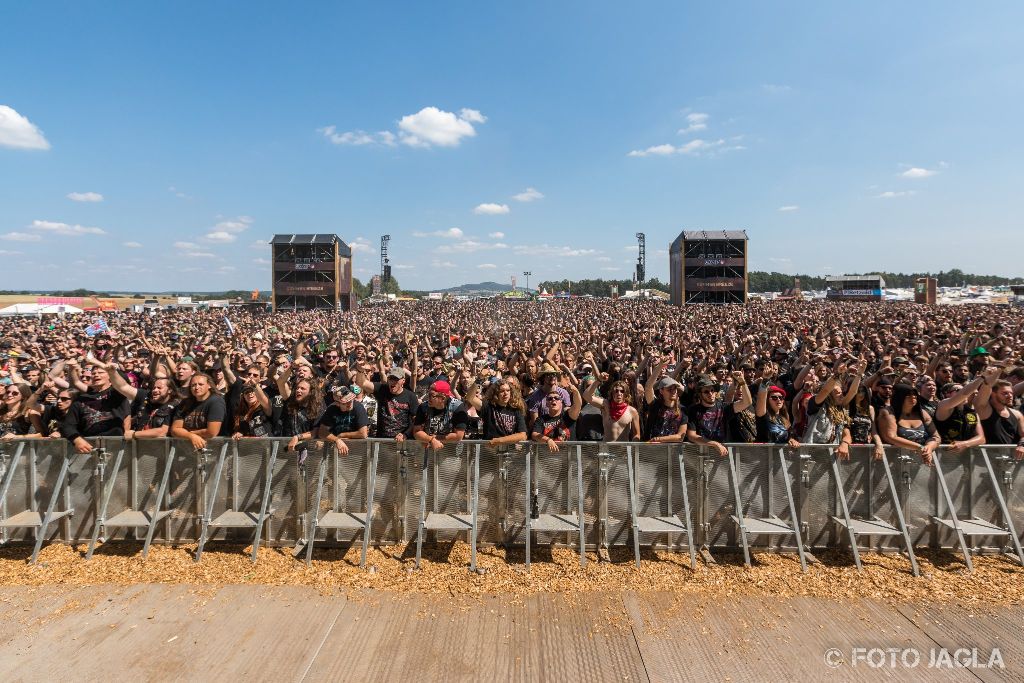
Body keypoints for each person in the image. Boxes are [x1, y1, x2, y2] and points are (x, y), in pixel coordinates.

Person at [60, 365, 132, 454]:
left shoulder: (118, 394)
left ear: (110, 376)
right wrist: (76, 439)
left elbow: (127, 418)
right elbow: (68, 425)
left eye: (101, 372)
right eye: (93, 373)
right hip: (89, 448)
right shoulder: (81, 399)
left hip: (116, 446)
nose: (96, 375)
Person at [686, 373, 752, 457]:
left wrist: (742, 382)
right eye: (706, 391)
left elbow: (747, 402)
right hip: (700, 454)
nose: (710, 393)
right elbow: (691, 435)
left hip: (722, 454)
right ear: (700, 394)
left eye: (712, 390)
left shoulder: (723, 407)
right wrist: (713, 444)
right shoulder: (693, 410)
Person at [878, 383, 940, 465]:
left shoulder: (922, 413)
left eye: (914, 395)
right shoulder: (887, 412)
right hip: (894, 462)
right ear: (899, 396)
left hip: (922, 460)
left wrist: (928, 448)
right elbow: (890, 437)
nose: (913, 397)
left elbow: (936, 437)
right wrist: (920, 447)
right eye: (908, 395)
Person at [356, 366, 419, 443]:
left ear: (403, 381)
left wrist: (406, 434)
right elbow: (362, 383)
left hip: (402, 441)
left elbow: (417, 420)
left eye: (396, 379)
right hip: (382, 440)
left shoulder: (410, 396)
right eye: (390, 379)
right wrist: (360, 369)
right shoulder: (382, 389)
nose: (392, 382)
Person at [976, 368, 1024, 459]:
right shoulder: (984, 410)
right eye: (1005, 393)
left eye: (1011, 393)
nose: (1010, 396)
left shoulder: (1017, 414)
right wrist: (1000, 369)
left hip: (1010, 461)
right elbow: (986, 388)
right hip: (985, 462)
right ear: (993, 394)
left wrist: (1022, 445)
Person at [465, 378, 528, 447]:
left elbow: (522, 435)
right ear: (496, 393)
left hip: (508, 452)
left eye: (508, 390)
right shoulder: (488, 406)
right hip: (489, 452)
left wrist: (499, 441)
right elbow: (470, 397)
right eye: (502, 391)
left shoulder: (516, 410)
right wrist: (478, 379)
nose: (505, 393)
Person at [170, 374, 225, 451]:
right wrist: (191, 436)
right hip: (186, 450)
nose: (196, 387)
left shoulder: (216, 401)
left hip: (211, 450)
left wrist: (189, 434)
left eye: (201, 384)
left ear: (209, 385)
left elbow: (212, 432)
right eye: (193, 385)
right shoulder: (185, 403)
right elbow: (175, 430)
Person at [412, 380, 469, 450]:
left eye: (432, 396)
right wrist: (431, 440)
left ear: (443, 398)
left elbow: (458, 435)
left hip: (450, 452)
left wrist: (434, 439)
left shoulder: (458, 407)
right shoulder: (423, 407)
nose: (428, 398)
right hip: (428, 448)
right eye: (428, 394)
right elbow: (416, 431)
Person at [583, 378, 641, 442]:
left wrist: (633, 447)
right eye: (616, 391)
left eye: (622, 391)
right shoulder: (605, 405)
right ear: (612, 393)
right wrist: (598, 380)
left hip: (623, 450)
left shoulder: (632, 411)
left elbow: (637, 435)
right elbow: (586, 395)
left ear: (626, 394)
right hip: (606, 450)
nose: (619, 393)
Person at [316, 385, 369, 455]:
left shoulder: (358, 407)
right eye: (346, 402)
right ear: (337, 403)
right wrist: (337, 440)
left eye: (351, 399)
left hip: (356, 450)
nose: (350, 403)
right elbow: (322, 432)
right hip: (336, 450)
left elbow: (363, 433)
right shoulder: (331, 409)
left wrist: (341, 435)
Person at [531, 381, 583, 451]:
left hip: (568, 458)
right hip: (547, 458)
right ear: (546, 404)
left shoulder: (568, 415)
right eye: (550, 399)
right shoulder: (541, 419)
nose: (553, 400)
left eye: (556, 398)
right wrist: (548, 440)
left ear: (561, 402)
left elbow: (577, 405)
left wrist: (576, 392)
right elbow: (534, 434)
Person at [643, 371, 687, 444]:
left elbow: (680, 437)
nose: (673, 392)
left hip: (671, 452)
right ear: (661, 391)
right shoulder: (655, 405)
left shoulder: (682, 409)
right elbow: (648, 387)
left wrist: (658, 439)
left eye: (675, 389)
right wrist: (660, 365)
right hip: (651, 450)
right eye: (669, 389)